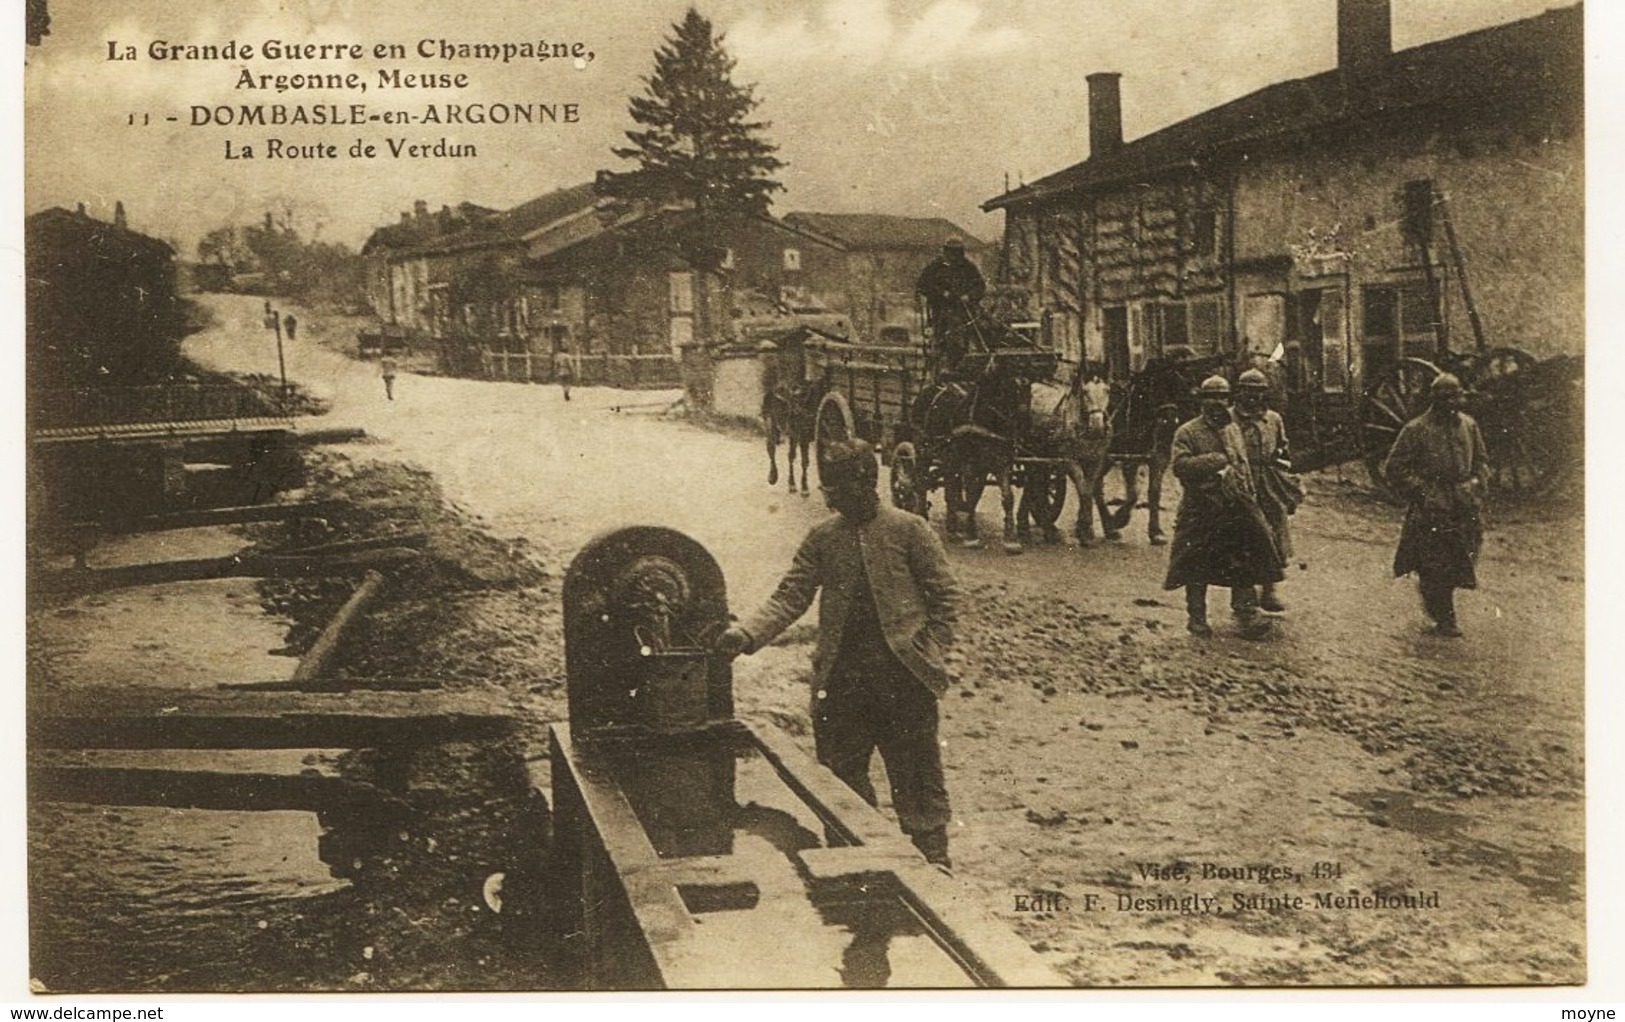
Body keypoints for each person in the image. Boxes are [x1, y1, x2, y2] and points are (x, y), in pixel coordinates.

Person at [716, 439, 962, 868]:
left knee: (918, 777)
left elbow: (946, 598)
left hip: (903, 679)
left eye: (840, 489)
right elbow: (790, 596)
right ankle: (857, 867)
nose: (832, 498)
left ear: (867, 482)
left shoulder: (910, 530)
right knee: (840, 782)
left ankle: (935, 863)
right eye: (829, 489)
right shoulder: (823, 538)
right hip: (842, 681)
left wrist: (932, 650)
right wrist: (746, 635)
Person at [1162, 375, 1285, 637]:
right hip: (1200, 507)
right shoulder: (1188, 431)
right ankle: (1197, 617)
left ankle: (1247, 615)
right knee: (1195, 563)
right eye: (1211, 397)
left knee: (1243, 559)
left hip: (1233, 506)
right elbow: (1180, 466)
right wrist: (1216, 461)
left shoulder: (1233, 429)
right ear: (1202, 401)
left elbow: (1242, 465)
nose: (1217, 403)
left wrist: (1248, 493)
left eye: (1222, 397)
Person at [1381, 373, 1489, 638]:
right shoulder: (1416, 429)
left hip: (1463, 505)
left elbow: (1482, 462)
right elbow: (1395, 468)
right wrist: (1423, 492)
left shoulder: (1469, 425)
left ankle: (1439, 601)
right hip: (1432, 508)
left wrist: (1476, 485)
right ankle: (1444, 617)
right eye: (1445, 397)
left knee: (1464, 555)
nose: (1452, 402)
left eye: (1456, 396)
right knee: (1434, 563)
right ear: (1434, 399)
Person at [1232, 368, 1301, 612]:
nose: (1253, 397)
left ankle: (1270, 590)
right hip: (1241, 484)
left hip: (1269, 484)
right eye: (1248, 392)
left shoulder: (1273, 419)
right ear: (1239, 393)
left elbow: (1283, 449)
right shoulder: (1230, 419)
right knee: (1242, 539)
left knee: (1274, 535)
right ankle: (1243, 595)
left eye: (1258, 392)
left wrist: (1284, 467)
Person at [914, 238, 985, 373]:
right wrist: (942, 294)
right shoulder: (935, 267)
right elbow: (923, 286)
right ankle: (942, 370)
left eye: (957, 252)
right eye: (951, 252)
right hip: (941, 310)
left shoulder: (968, 267)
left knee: (966, 339)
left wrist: (969, 296)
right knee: (943, 341)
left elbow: (980, 286)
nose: (954, 256)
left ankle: (962, 368)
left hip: (964, 310)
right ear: (946, 251)